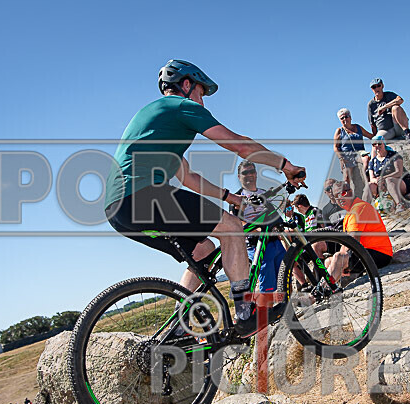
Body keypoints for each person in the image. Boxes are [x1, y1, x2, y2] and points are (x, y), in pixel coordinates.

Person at [104, 60, 305, 337]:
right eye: (201, 91)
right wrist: (287, 166)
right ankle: (246, 315)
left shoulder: (157, 121)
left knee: (203, 250)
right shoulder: (183, 106)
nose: (202, 100)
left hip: (117, 209)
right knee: (233, 228)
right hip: (141, 195)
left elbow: (188, 178)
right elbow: (240, 145)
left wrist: (231, 198)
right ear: (186, 85)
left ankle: (177, 331)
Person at [229, 161, 287, 298]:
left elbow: (276, 218)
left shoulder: (263, 194)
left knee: (284, 281)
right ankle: (266, 316)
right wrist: (258, 231)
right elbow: (236, 224)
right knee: (267, 287)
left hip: (275, 243)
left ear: (256, 174)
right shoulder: (237, 197)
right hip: (256, 245)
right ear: (239, 176)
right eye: (245, 173)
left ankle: (284, 313)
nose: (249, 175)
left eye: (251, 171)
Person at [324, 182, 393, 282]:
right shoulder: (349, 214)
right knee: (328, 261)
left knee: (338, 257)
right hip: (366, 252)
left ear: (351, 192)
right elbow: (345, 244)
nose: (340, 198)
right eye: (336, 196)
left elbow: (353, 240)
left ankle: (324, 290)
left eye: (343, 193)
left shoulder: (359, 207)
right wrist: (344, 262)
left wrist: (343, 260)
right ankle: (333, 289)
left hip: (380, 254)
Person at [334, 108, 373, 199]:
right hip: (347, 155)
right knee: (346, 177)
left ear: (350, 117)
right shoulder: (339, 131)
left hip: (359, 152)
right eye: (342, 118)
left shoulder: (357, 127)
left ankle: (362, 175)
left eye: (346, 117)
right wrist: (341, 158)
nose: (344, 119)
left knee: (366, 158)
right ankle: (347, 196)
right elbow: (336, 147)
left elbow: (370, 136)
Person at [367, 136, 410, 212]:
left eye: (379, 143)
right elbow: (372, 178)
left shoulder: (393, 155)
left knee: (389, 180)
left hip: (399, 182)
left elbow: (399, 172)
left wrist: (383, 178)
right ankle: (373, 206)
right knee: (369, 185)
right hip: (381, 185)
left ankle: (399, 204)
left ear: (383, 144)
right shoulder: (372, 161)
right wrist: (378, 180)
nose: (377, 146)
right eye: (374, 144)